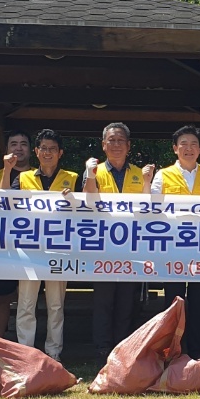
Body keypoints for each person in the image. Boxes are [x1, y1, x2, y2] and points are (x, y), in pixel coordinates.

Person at [151, 125, 200, 359]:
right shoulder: (162, 175)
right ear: (175, 148)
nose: (189, 148)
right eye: (184, 144)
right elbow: (151, 208)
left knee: (199, 301)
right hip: (172, 248)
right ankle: (170, 353)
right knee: (173, 301)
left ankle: (196, 352)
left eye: (194, 144)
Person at [83, 121, 145, 362]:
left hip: (132, 247)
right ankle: (102, 349)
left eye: (120, 140)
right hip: (103, 247)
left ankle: (124, 349)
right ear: (103, 145)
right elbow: (87, 203)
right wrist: (89, 175)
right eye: (111, 140)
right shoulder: (93, 171)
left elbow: (151, 208)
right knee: (103, 300)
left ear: (128, 145)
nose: (116, 145)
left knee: (127, 301)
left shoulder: (141, 174)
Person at [15, 130, 78, 362]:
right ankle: (25, 352)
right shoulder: (22, 178)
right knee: (26, 303)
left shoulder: (73, 178)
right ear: (36, 151)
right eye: (43, 148)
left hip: (59, 249)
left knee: (56, 305)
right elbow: (5, 204)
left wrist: (75, 199)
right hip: (29, 249)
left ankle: (54, 352)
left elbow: (87, 209)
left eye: (52, 149)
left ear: (60, 153)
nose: (47, 153)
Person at [0, 131, 33, 340]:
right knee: (1, 297)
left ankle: (27, 343)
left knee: (29, 300)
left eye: (23, 144)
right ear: (6, 149)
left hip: (33, 247)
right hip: (3, 247)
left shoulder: (39, 175)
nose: (18, 148)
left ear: (31, 150)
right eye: (14, 144)